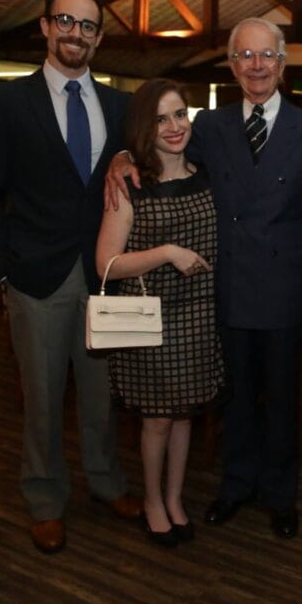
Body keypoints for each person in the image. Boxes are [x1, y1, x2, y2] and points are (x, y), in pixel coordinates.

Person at [106, 17, 302, 539]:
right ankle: (236, 485)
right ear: (232, 65)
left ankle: (280, 494)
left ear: (282, 63)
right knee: (233, 396)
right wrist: (121, 156)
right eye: (245, 56)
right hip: (223, 285)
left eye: (267, 55)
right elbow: (159, 151)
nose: (256, 65)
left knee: (282, 398)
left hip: (285, 284)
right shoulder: (209, 125)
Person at [0, 0, 141, 555]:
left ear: (98, 38)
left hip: (103, 275)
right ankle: (44, 499)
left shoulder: (119, 106)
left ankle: (106, 482)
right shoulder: (5, 103)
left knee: (101, 395)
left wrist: (128, 155)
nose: (76, 33)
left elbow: (142, 169)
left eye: (88, 26)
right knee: (41, 399)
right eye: (66, 21)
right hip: (34, 276)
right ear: (45, 26)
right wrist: (2, 269)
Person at [96, 78, 227, 547]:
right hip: (151, 320)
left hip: (199, 317)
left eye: (179, 114)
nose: (174, 126)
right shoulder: (130, 184)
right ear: (143, 128)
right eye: (160, 119)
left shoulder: (207, 173)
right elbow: (106, 264)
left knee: (185, 415)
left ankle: (174, 499)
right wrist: (167, 252)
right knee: (156, 420)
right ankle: (153, 500)